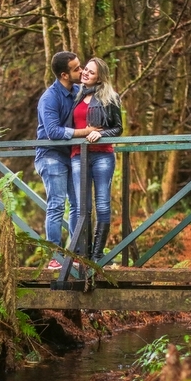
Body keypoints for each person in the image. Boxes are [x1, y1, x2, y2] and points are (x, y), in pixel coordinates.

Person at [35, 51, 98, 270]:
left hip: (71, 155)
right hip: (50, 155)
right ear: (64, 74)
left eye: (81, 67)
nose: (81, 71)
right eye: (76, 69)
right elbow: (52, 131)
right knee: (56, 206)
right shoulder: (50, 98)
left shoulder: (77, 92)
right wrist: (85, 132)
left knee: (78, 205)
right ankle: (56, 258)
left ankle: (76, 255)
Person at [68, 57, 123, 263]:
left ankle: (97, 256)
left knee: (102, 205)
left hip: (102, 155)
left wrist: (101, 134)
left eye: (91, 72)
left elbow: (118, 128)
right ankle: (83, 254)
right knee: (83, 206)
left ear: (100, 76)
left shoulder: (110, 97)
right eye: (85, 71)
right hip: (77, 155)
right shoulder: (76, 96)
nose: (85, 74)